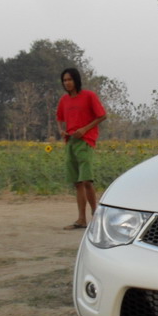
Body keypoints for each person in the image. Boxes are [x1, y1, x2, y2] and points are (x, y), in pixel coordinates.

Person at [56, 67, 107, 230]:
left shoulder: (89, 96)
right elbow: (59, 118)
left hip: (85, 141)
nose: (67, 83)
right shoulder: (64, 100)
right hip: (70, 142)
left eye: (69, 79)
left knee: (86, 180)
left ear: (76, 80)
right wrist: (61, 130)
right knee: (77, 182)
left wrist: (85, 129)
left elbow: (102, 115)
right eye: (64, 80)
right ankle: (81, 219)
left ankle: (96, 215)